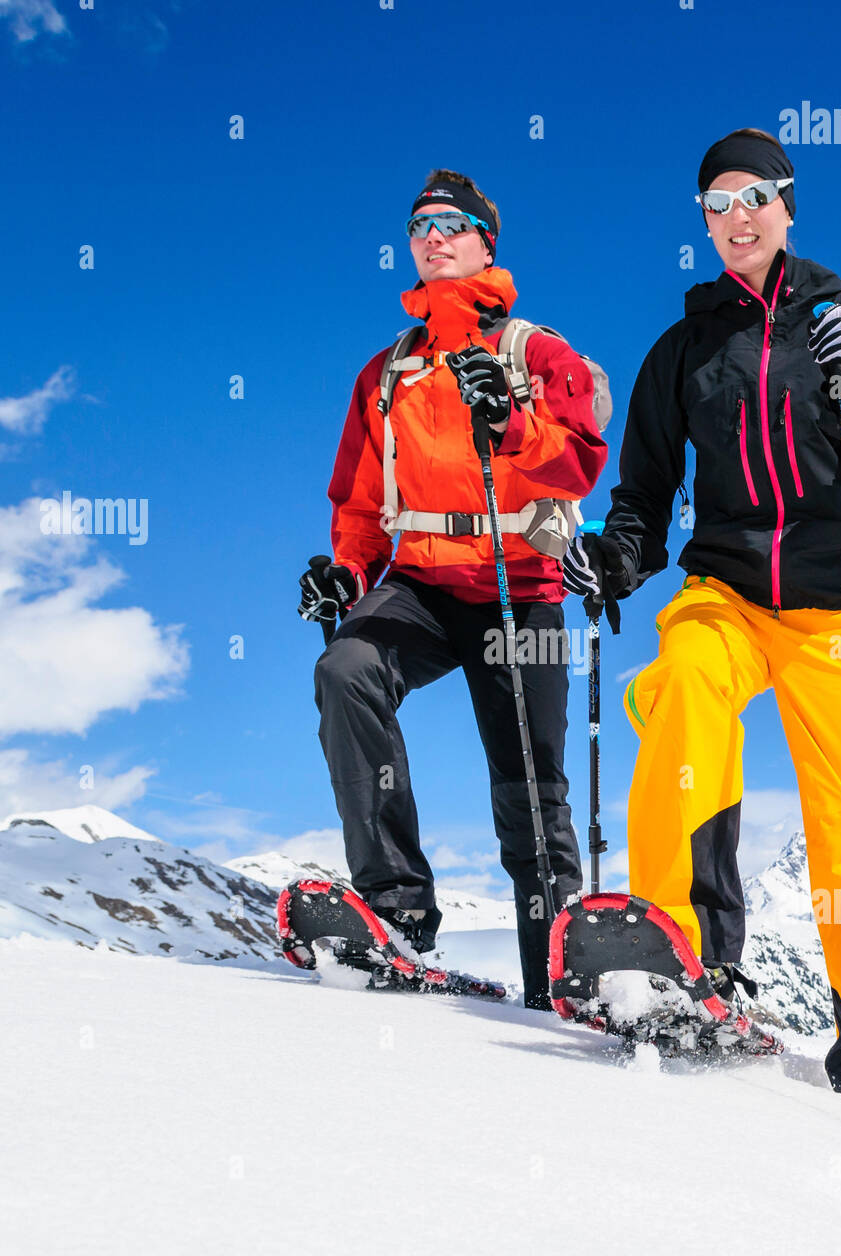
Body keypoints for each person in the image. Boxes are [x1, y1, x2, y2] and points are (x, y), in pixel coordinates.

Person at [565, 129, 841, 1109]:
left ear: (787, 204)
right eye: (716, 204)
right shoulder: (686, 346)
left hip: (836, 598)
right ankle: (665, 953)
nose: (736, 218)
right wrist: (615, 552)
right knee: (681, 683)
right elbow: (642, 492)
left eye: (753, 197)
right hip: (725, 588)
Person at [301, 169, 606, 1009]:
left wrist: (509, 425)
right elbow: (361, 502)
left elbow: (580, 459)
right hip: (423, 584)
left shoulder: (536, 351)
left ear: (485, 242)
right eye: (419, 227)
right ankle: (396, 911)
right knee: (346, 670)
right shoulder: (386, 372)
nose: (432, 237)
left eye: (451, 224)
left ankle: (556, 973)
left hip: (522, 581)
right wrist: (348, 572)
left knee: (529, 784)